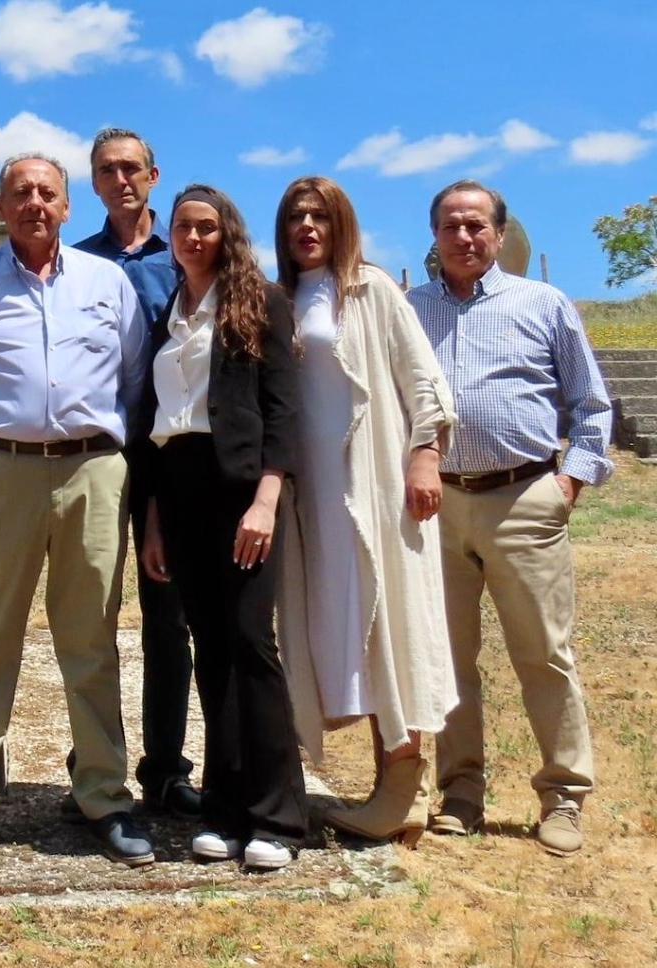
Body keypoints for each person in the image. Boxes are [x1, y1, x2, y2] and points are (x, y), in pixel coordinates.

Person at [0, 153, 152, 873]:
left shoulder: (106, 282)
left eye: (47, 193)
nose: (35, 204)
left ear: (67, 206)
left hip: (91, 472)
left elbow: (135, 377)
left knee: (92, 643)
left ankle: (104, 797)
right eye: (21, 193)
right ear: (0, 206)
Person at [407, 179, 612, 856]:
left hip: (525, 499)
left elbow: (591, 407)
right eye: (450, 227)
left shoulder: (544, 304)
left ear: (499, 234)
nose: (464, 237)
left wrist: (569, 483)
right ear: (434, 238)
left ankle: (563, 794)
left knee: (543, 654)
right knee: (449, 659)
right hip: (437, 507)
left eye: (476, 226)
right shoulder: (411, 311)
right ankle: (460, 793)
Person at [271, 176, 459, 847]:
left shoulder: (371, 289)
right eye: (296, 217)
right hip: (312, 497)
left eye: (320, 216)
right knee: (338, 627)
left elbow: (423, 383)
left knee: (389, 622)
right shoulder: (283, 298)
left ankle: (402, 784)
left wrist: (424, 459)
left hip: (374, 485)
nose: (307, 227)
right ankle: (377, 779)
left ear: (341, 223)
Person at [136, 185, 307, 871]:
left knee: (249, 643)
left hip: (240, 489)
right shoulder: (168, 312)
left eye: (206, 227)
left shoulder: (259, 302)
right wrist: (152, 521)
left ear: (226, 233)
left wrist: (266, 500)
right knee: (210, 647)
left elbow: (282, 411)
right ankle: (226, 806)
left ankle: (278, 816)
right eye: (183, 227)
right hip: (177, 490)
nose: (193, 237)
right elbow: (156, 427)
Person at [74, 127, 199, 820]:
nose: (121, 179)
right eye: (107, 171)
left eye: (132, 168)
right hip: (96, 452)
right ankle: (90, 766)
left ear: (153, 174)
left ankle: (166, 769)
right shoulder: (76, 261)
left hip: (170, 458)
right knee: (87, 617)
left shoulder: (183, 252)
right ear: (93, 183)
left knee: (166, 618)